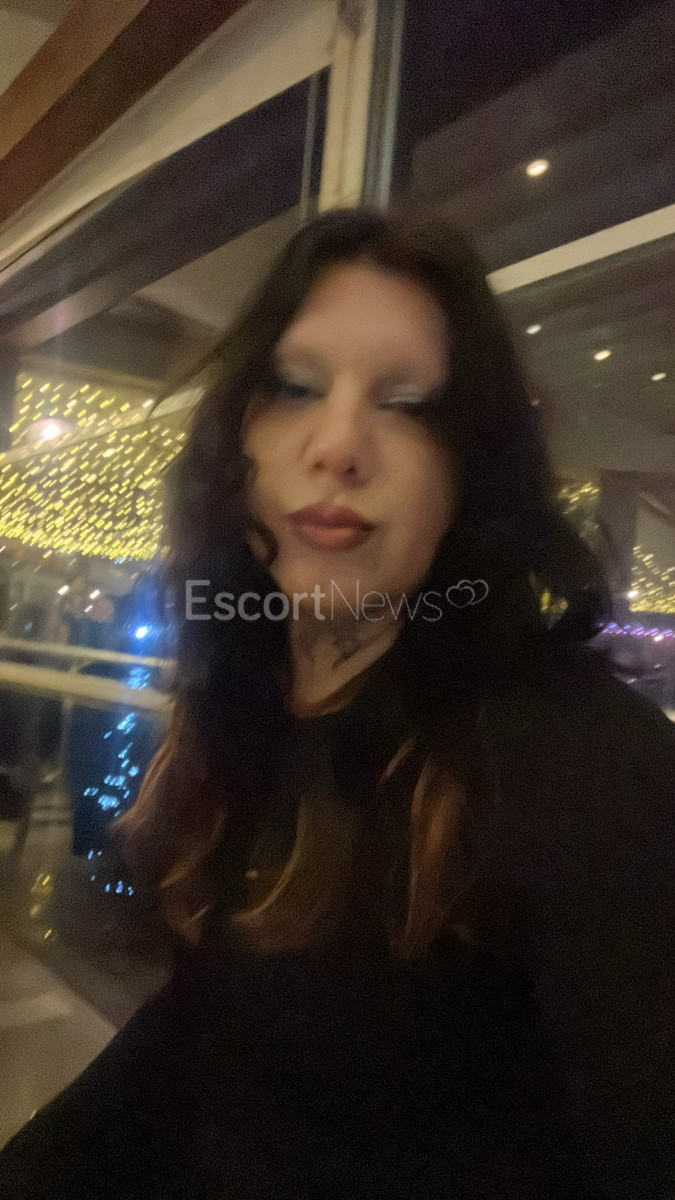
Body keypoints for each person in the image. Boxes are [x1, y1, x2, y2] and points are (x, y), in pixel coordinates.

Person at [1, 207, 673, 1199]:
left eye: (406, 404)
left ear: (468, 475)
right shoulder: (250, 704)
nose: (339, 443)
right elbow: (203, 1042)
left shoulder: (579, 758)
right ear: (239, 442)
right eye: (295, 387)